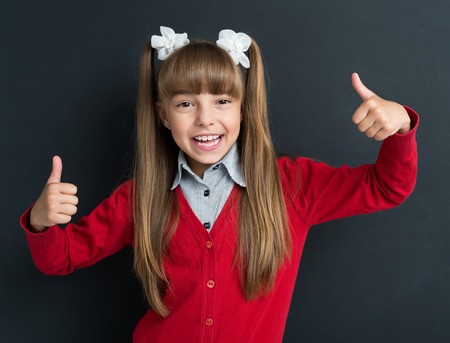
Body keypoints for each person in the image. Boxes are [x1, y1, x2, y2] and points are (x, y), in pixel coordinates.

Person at [20, 26, 418, 342]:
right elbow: (59, 259)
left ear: (244, 108)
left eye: (222, 101)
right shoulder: (139, 199)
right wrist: (41, 221)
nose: (205, 119)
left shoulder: (293, 186)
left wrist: (400, 125)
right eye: (185, 104)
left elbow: (387, 187)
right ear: (162, 115)